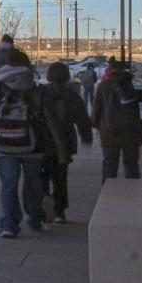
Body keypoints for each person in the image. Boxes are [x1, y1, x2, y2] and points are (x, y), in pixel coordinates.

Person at [0, 50, 52, 238]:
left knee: (8, 185)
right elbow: (47, 118)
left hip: (3, 145)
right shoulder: (35, 88)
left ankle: (9, 225)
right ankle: (35, 219)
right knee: (33, 184)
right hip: (32, 145)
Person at [39, 61, 93, 224]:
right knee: (60, 179)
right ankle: (59, 212)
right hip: (64, 143)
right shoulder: (72, 96)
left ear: (49, 76)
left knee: (41, 176)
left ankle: (43, 200)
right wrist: (86, 137)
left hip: (42, 142)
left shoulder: (41, 93)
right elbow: (82, 119)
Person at [92, 58, 142, 180]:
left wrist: (99, 127)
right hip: (132, 132)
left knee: (109, 165)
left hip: (109, 132)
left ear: (110, 69)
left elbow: (96, 110)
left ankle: (108, 190)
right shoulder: (136, 84)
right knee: (131, 165)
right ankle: (133, 189)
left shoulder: (103, 86)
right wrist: (139, 126)